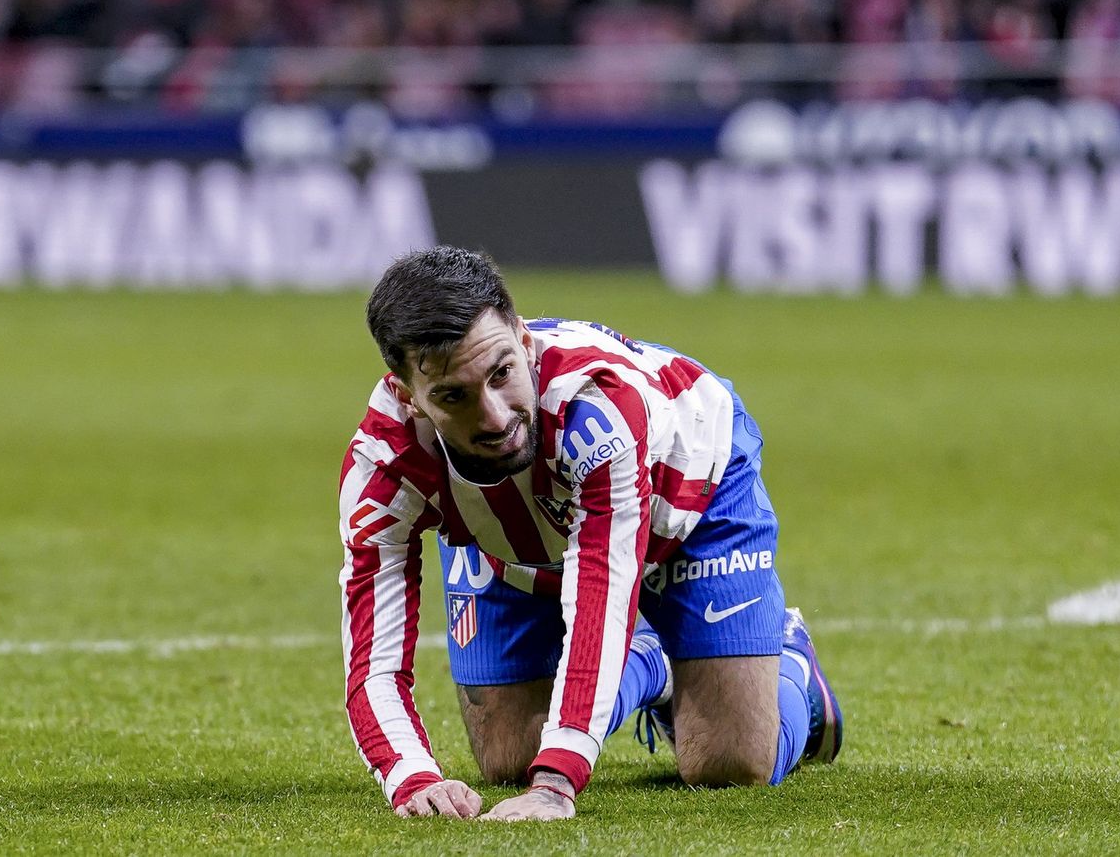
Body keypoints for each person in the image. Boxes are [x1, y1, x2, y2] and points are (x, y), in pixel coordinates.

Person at [340, 246, 843, 821]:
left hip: (686, 500)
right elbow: (373, 660)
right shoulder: (383, 467)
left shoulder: (598, 412)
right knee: (509, 759)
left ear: (523, 341)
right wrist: (410, 780)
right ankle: (650, 660)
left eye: (502, 374)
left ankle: (793, 667)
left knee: (726, 765)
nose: (497, 417)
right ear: (409, 398)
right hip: (512, 543)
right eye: (454, 396)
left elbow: (602, 589)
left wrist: (556, 783)